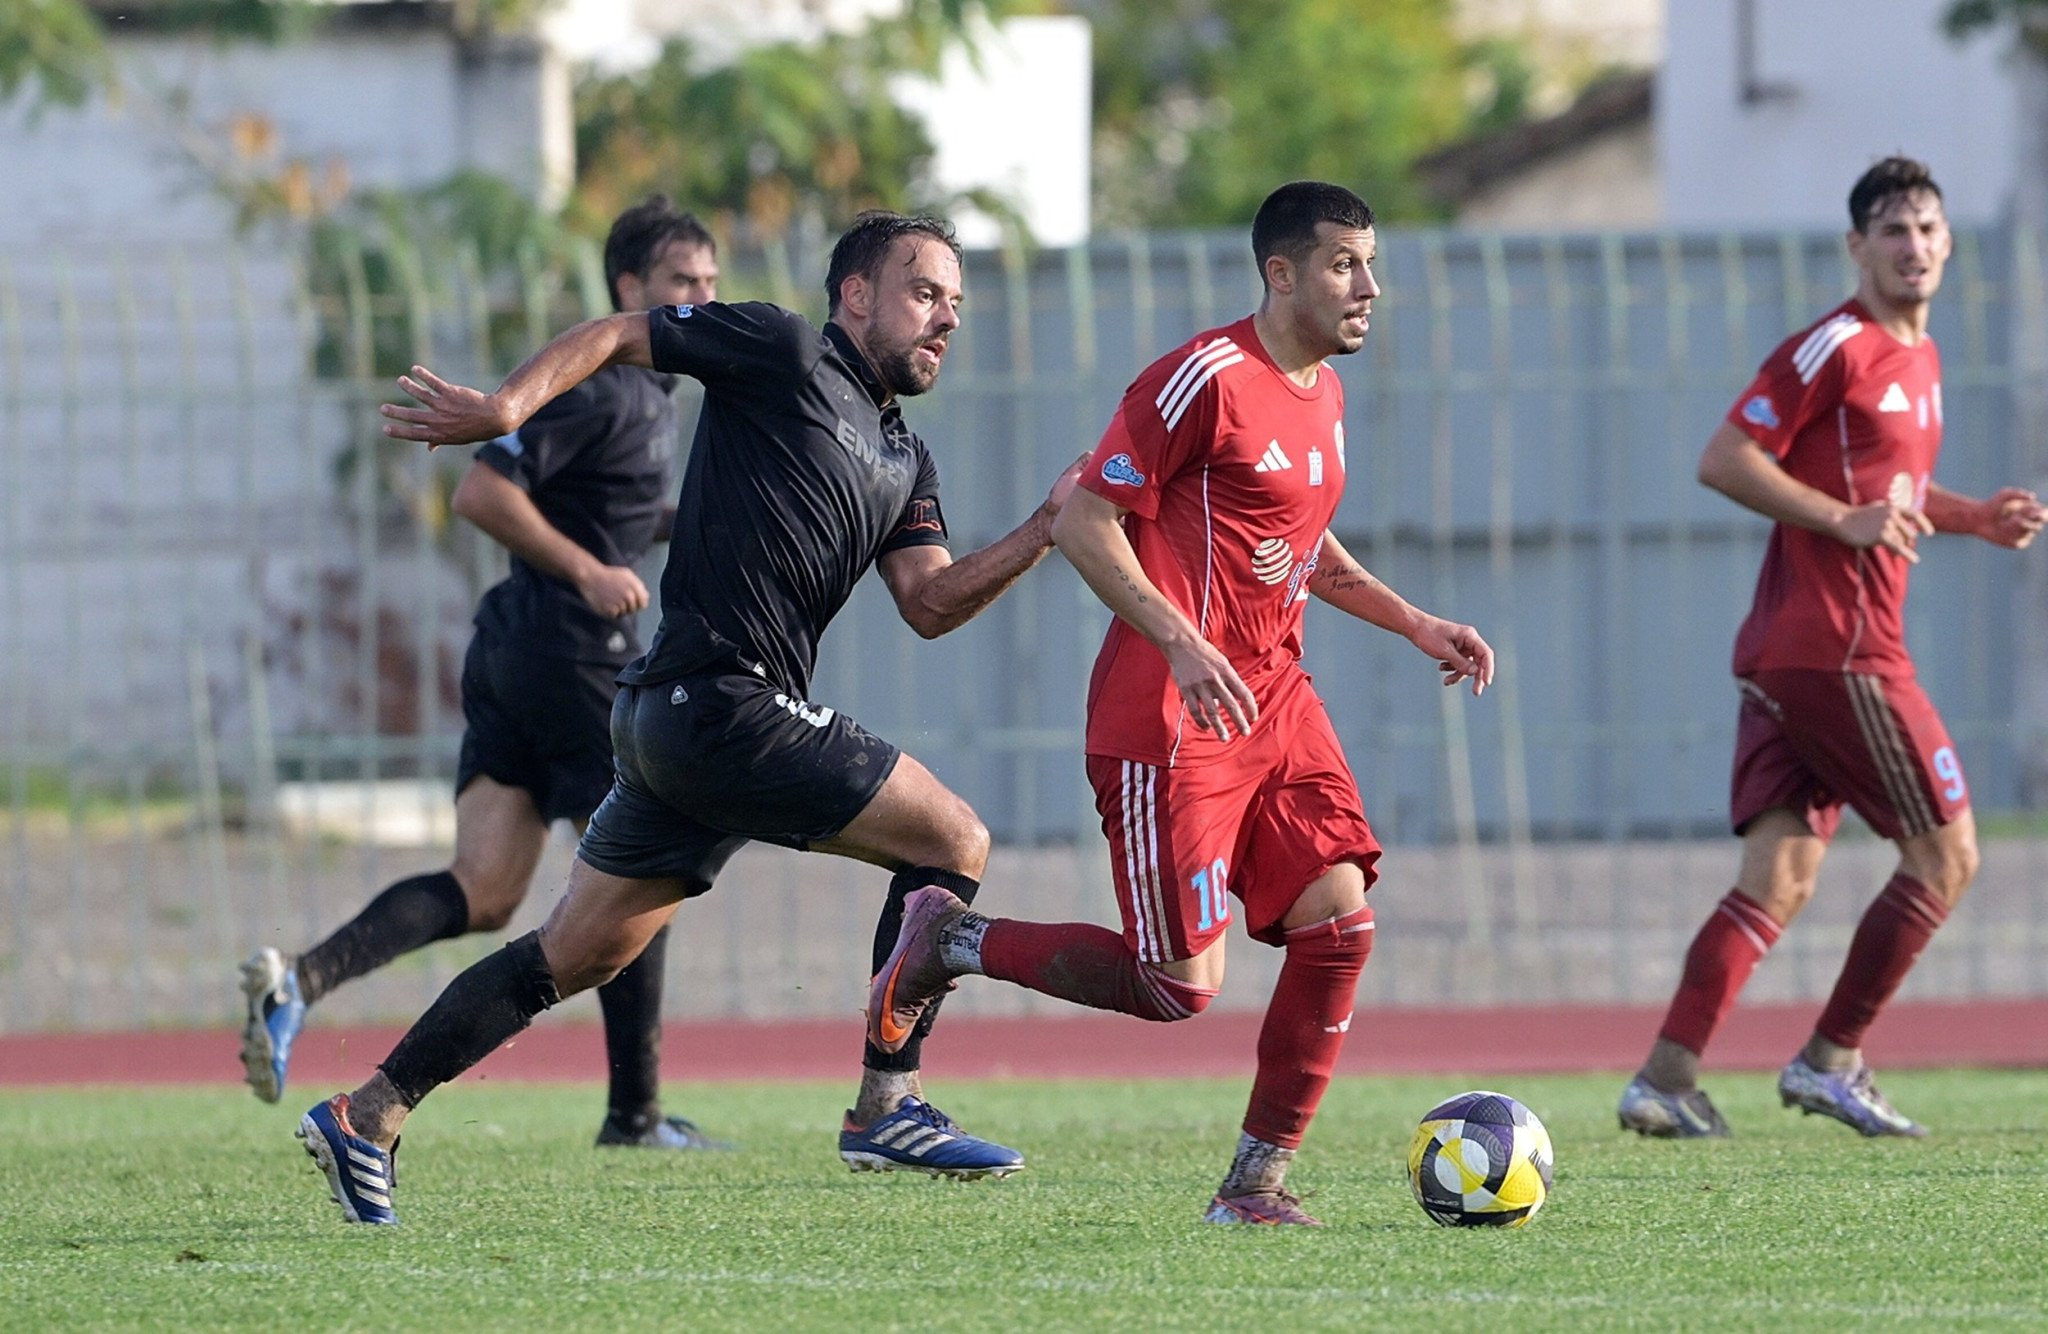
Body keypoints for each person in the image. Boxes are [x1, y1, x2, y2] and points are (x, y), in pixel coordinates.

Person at [294, 209, 1083, 1224]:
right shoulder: (785, 350)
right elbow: (622, 333)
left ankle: (367, 1113)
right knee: (954, 838)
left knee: (574, 954)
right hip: (721, 703)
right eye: (924, 292)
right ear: (855, 295)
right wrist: (504, 406)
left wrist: (1044, 527)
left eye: (954, 303)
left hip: (680, 724)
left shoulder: (905, 455)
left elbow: (928, 602)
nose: (946, 319)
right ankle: (888, 1102)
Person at [867, 181, 1495, 1226]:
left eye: (1371, 264)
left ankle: (1253, 1186)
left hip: (1274, 698)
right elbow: (1085, 522)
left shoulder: (1323, 396)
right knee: (1175, 986)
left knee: (1340, 926)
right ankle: (951, 939)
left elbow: (1298, 541)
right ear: (1280, 273)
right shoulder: (1199, 378)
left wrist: (1413, 621)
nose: (1368, 288)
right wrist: (1182, 640)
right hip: (1169, 717)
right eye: (1343, 264)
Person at [239, 196, 732, 1150]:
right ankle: (635, 1117)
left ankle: (298, 982)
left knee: (486, 886)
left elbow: (605, 510)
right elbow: (482, 493)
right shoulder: (604, 387)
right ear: (629, 286)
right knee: (644, 870)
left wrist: (686, 528)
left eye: (712, 283)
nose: (702, 302)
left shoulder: (646, 395)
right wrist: (589, 570)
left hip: (510, 650)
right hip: (570, 655)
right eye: (683, 283)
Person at [1616, 156, 2044, 1140]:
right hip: (1839, 650)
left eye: (1926, 229)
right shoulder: (1837, 346)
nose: (1912, 246)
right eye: (1892, 230)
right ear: (1857, 246)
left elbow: (1890, 493)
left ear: (1947, 244)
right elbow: (1725, 457)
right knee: (1946, 856)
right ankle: (1830, 1059)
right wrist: (1839, 520)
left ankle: (1664, 1079)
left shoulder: (1920, 360)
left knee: (1777, 878)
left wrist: (1973, 517)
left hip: (1791, 654)